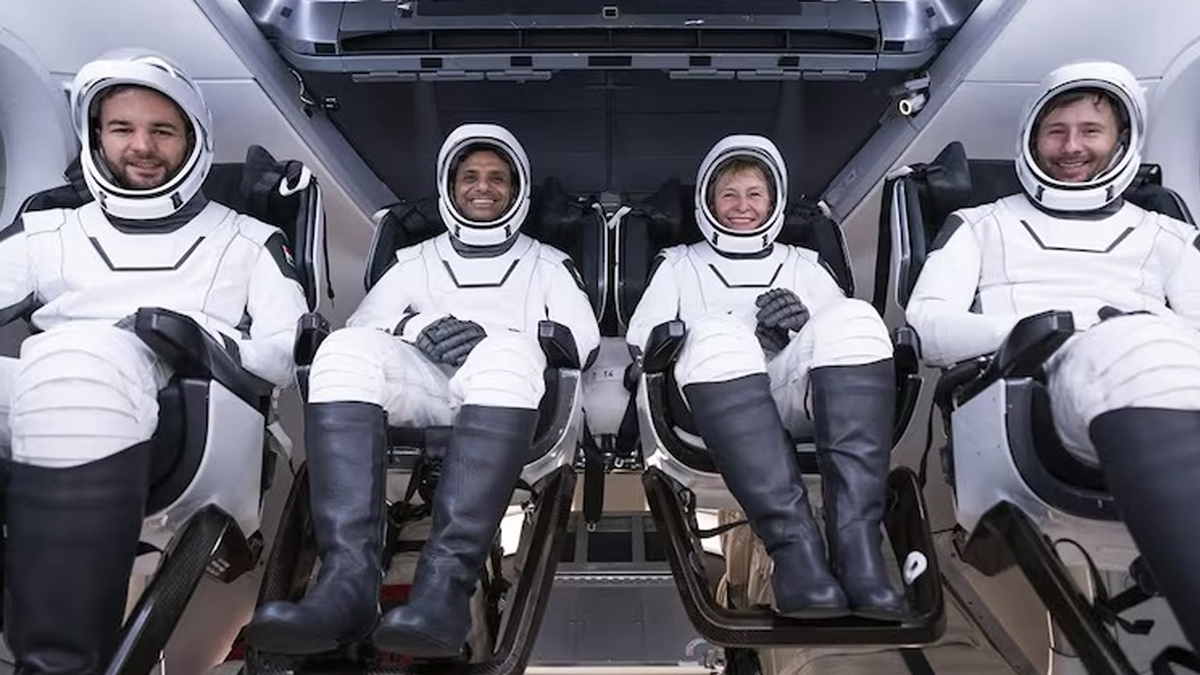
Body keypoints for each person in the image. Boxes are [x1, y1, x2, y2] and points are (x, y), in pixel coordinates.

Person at [0, 49, 308, 673]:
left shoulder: (247, 241)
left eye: (162, 130)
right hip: (44, 386)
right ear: (96, 136)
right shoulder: (48, 232)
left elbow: (287, 352)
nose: (141, 147)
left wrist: (194, 338)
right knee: (63, 362)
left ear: (193, 140)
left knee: (85, 356)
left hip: (192, 417)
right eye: (123, 128)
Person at [245, 123, 601, 657]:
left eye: (497, 177)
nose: (483, 187)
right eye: (470, 176)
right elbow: (365, 324)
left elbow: (583, 339)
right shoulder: (416, 260)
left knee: (508, 354)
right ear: (450, 188)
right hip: (426, 382)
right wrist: (418, 327)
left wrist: (492, 336)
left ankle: (444, 592)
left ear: (517, 189)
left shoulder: (546, 263)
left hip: (510, 388)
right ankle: (346, 585)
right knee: (343, 350)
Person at [906, 60, 1200, 650]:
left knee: (1144, 347)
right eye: (1056, 131)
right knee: (1128, 347)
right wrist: (1055, 331)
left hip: (1162, 378)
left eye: (1091, 131)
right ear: (1031, 137)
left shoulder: (1168, 236)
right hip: (1030, 397)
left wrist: (1143, 330)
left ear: (1122, 138)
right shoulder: (981, 225)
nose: (1071, 148)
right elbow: (927, 327)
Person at [626, 135, 903, 619]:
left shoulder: (804, 264)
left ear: (773, 202)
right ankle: (797, 557)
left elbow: (840, 340)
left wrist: (800, 325)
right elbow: (642, 338)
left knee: (856, 317)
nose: (742, 207)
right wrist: (741, 329)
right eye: (729, 195)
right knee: (718, 333)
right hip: (713, 399)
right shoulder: (679, 263)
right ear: (708, 201)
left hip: (794, 396)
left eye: (754, 194)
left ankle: (859, 554)